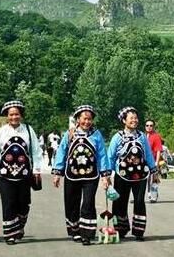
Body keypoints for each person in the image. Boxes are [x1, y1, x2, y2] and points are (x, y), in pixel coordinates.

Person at [0, 100, 43, 245]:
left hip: (24, 175)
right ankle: (10, 234)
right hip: (5, 175)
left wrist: (36, 170)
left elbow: (36, 151)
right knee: (8, 203)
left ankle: (19, 226)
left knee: (23, 204)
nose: (14, 117)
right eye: (11, 115)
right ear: (7, 116)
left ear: (21, 115)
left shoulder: (28, 130)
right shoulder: (1, 132)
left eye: (16, 114)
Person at [53, 104, 111, 246]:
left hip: (91, 176)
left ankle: (87, 234)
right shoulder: (70, 134)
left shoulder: (97, 135)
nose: (87, 122)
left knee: (88, 203)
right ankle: (75, 230)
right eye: (84, 119)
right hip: (72, 174)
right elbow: (61, 152)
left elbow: (102, 155)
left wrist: (105, 175)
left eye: (89, 119)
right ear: (78, 119)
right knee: (71, 202)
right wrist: (57, 173)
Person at [107, 106, 158, 240]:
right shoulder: (117, 137)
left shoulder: (141, 136)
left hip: (140, 175)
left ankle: (138, 231)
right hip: (122, 175)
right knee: (120, 202)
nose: (134, 120)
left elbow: (147, 154)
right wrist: (107, 175)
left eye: (136, 118)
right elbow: (111, 156)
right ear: (124, 120)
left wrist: (154, 170)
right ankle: (120, 230)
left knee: (139, 201)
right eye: (131, 118)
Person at [145, 120, 164, 203]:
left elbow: (159, 150)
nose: (149, 127)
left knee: (154, 179)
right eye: (147, 125)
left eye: (151, 125)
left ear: (153, 127)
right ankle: (146, 194)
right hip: (144, 162)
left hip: (153, 161)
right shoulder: (144, 136)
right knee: (145, 179)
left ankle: (153, 195)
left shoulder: (156, 136)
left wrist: (157, 162)